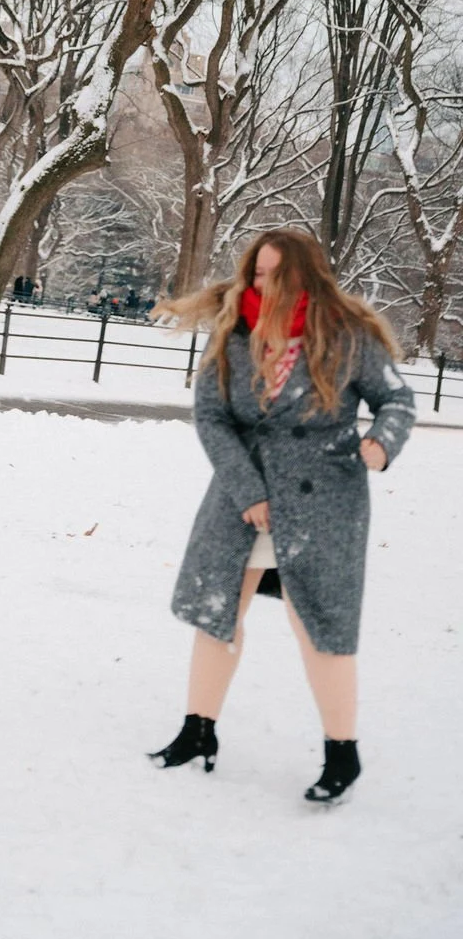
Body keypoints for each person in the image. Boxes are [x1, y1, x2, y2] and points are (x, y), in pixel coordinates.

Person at [148, 228, 415, 805]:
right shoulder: (232, 332)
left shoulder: (346, 334)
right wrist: (247, 492)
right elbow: (212, 418)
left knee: (318, 624)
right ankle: (198, 730)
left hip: (324, 502)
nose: (260, 283)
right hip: (241, 499)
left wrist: (382, 442)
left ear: (304, 277)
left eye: (274, 274)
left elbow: (396, 399)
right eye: (256, 272)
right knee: (218, 613)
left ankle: (342, 753)